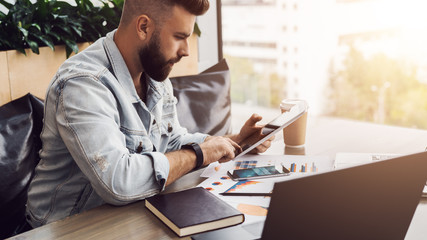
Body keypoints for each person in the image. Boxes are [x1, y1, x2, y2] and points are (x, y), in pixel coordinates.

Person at [25, 0, 274, 228]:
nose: (186, 50)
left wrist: (234, 141)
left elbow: (173, 141)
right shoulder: (83, 84)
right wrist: (200, 154)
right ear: (143, 26)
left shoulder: (153, 73)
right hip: (67, 228)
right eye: (179, 37)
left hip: (130, 216)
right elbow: (117, 182)